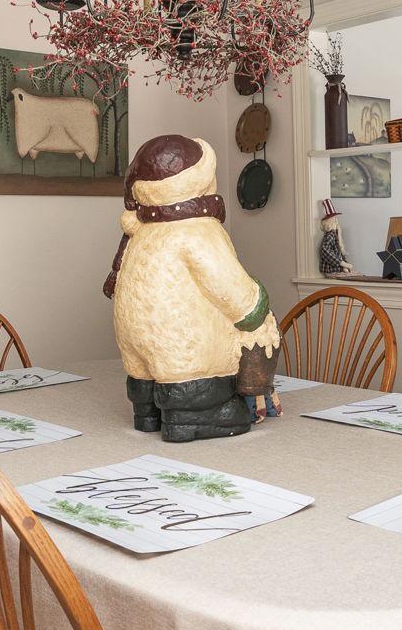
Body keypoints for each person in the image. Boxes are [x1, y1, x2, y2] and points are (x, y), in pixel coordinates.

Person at [104, 135, 279, 442]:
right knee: (205, 387)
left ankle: (148, 412)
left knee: (150, 372)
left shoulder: (141, 229)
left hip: (137, 354)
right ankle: (189, 417)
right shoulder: (197, 231)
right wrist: (257, 310)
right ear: (199, 182)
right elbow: (230, 289)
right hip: (184, 358)